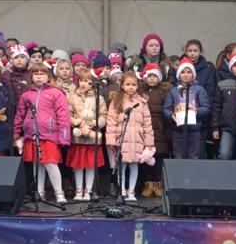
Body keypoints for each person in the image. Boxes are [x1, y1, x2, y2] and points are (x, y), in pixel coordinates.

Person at [14, 63, 71, 203]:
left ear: (48, 76)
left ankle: (59, 192)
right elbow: (19, 116)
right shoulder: (26, 95)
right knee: (36, 164)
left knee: (51, 163)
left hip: (49, 135)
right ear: (31, 76)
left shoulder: (57, 93)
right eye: (35, 74)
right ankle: (39, 191)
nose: (39, 76)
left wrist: (64, 137)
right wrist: (16, 135)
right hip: (31, 135)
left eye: (42, 74)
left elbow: (63, 116)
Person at [107, 72, 154, 202]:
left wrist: (148, 143)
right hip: (121, 139)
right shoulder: (116, 102)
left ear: (137, 86)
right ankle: (122, 190)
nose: (131, 87)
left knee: (134, 165)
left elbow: (147, 124)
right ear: (122, 85)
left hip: (137, 140)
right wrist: (111, 141)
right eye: (127, 84)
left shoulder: (142, 102)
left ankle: (131, 190)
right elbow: (111, 122)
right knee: (121, 165)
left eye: (133, 84)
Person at [66, 70, 107, 200]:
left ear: (93, 83)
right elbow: (68, 114)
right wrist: (76, 122)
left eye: (87, 81)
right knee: (78, 165)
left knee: (90, 164)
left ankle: (89, 190)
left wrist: (94, 123)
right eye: (81, 81)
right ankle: (79, 190)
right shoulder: (73, 97)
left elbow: (103, 116)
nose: (83, 84)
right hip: (78, 136)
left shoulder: (99, 98)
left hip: (92, 136)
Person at [163, 58, 210, 160]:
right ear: (178, 74)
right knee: (178, 155)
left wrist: (197, 112)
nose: (185, 75)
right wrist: (171, 115)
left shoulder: (199, 90)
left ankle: (192, 171)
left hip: (194, 130)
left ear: (193, 74)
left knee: (194, 155)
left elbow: (206, 107)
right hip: (178, 130)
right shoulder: (173, 91)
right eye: (183, 72)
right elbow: (166, 109)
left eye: (189, 72)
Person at [140, 63, 172, 197]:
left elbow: (168, 110)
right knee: (146, 157)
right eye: (149, 76)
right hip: (144, 129)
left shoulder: (164, 93)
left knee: (159, 157)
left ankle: (158, 184)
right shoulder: (141, 92)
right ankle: (148, 184)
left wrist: (168, 132)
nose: (152, 79)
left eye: (155, 76)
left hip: (160, 129)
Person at [183, 40, 216, 158]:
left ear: (200, 52)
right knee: (182, 148)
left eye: (195, 51)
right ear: (186, 52)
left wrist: (202, 110)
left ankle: (199, 170)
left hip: (200, 117)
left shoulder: (207, 71)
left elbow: (210, 93)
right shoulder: (181, 68)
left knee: (199, 147)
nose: (192, 53)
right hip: (182, 116)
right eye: (190, 51)